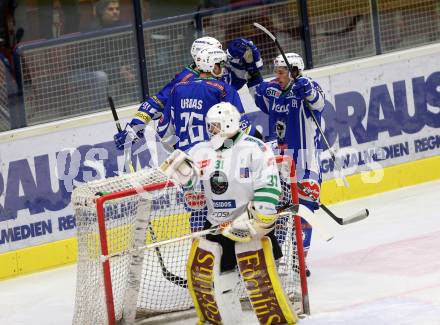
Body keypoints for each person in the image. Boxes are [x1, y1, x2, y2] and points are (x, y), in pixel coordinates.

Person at [160, 102, 299, 324]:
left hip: (248, 223)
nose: (210, 131)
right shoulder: (200, 151)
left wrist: (259, 219)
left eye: (215, 126)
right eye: (209, 126)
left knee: (263, 284)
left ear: (229, 123)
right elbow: (195, 195)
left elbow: (269, 184)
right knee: (216, 284)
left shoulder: (254, 148)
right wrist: (185, 182)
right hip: (216, 226)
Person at [234, 41, 325, 276]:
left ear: (295, 71)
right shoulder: (273, 90)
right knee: (279, 213)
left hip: (305, 163)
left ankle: (299, 259)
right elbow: (258, 91)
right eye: (276, 71)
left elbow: (319, 102)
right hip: (279, 161)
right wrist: (253, 70)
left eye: (282, 71)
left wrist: (306, 86)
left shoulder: (307, 87)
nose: (277, 75)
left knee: (298, 213)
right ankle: (277, 257)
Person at [113, 36, 263, 152]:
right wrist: (133, 129)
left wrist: (247, 66)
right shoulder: (185, 79)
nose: (223, 56)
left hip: (191, 154)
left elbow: (164, 130)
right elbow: (155, 102)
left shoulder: (183, 86)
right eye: (217, 53)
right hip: (216, 151)